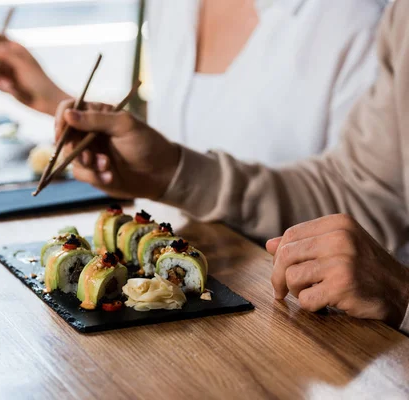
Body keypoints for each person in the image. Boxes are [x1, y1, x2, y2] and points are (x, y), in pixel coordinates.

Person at [50, 0, 409, 332]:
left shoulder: (355, 17)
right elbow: (363, 188)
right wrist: (173, 172)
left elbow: (381, 246)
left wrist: (401, 291)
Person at [0, 0, 386, 166]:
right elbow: (172, 149)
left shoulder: (352, 22)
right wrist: (55, 98)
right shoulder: (173, 6)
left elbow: (369, 220)